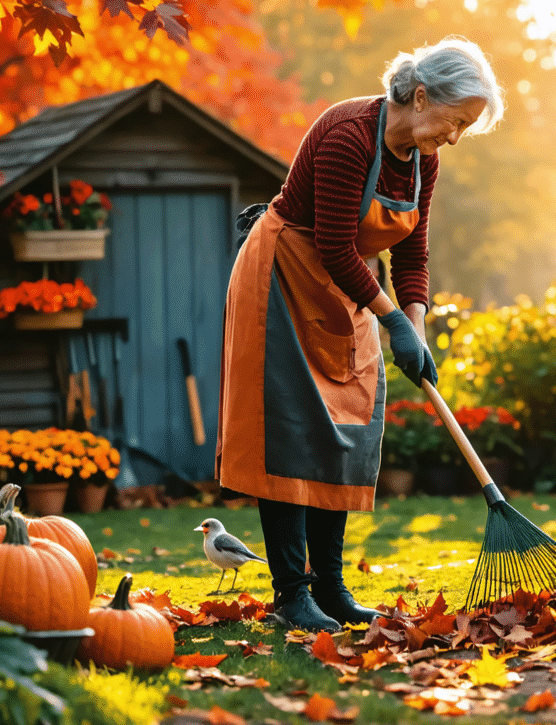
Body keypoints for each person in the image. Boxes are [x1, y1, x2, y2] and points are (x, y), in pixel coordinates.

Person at [214, 37, 504, 633]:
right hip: (285, 277)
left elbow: (412, 248)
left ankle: (333, 591)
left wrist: (416, 326)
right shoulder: (349, 134)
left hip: (345, 292)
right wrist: (391, 318)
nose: (453, 136)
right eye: (455, 121)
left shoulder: (424, 158)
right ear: (421, 97)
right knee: (290, 436)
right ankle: (293, 595)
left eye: (464, 128)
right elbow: (335, 246)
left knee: (346, 431)